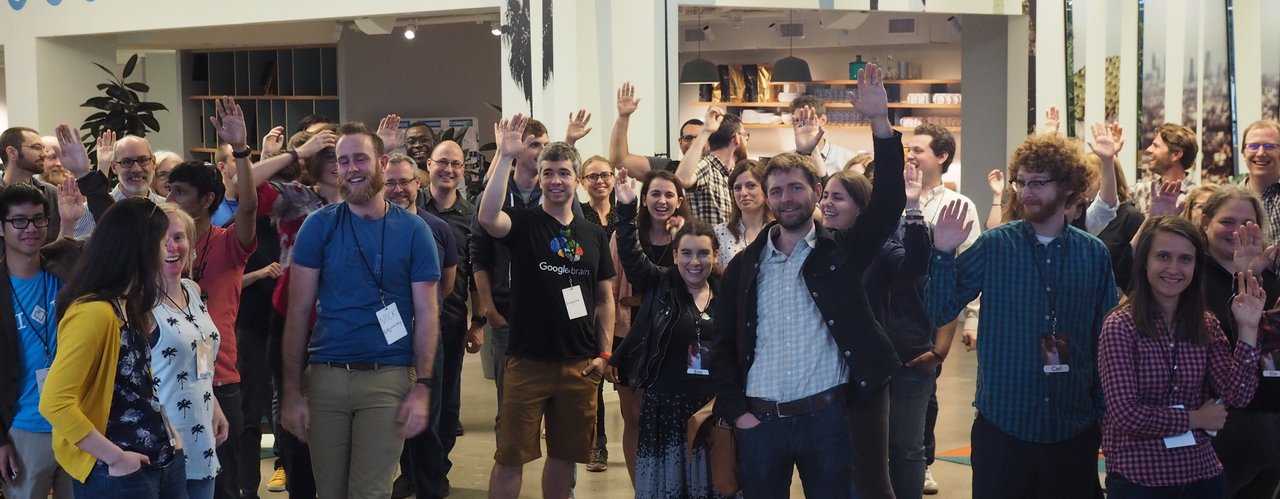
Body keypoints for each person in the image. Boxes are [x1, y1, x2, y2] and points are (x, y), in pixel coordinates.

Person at [711, 63, 904, 498]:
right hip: (761, 421)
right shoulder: (744, 267)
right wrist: (737, 411)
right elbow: (720, 345)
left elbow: (889, 202)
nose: (786, 198)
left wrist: (880, 122)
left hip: (828, 418)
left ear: (816, 193)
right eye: (776, 190)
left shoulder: (841, 252)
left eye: (796, 188)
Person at [927, 132, 1118, 498]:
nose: (1026, 191)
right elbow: (940, 309)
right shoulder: (996, 245)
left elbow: (1105, 342)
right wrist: (943, 253)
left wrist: (1104, 415)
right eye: (1022, 182)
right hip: (1004, 425)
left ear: (1067, 187)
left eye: (1038, 183)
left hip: (1073, 425)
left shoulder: (1093, 254)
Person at [280, 122, 441, 499]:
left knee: (369, 492)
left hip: (387, 378)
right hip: (325, 377)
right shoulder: (318, 226)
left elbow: (428, 314)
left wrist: (423, 387)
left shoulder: (415, 231)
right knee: (330, 493)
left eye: (360, 159)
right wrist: (290, 391)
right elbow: (298, 311)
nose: (351, 169)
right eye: (343, 161)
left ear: (382, 162)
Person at [478, 117, 615, 499]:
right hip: (527, 362)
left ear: (577, 180)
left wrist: (604, 354)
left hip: (579, 365)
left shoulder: (593, 233)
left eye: (565, 173)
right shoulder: (523, 223)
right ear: (539, 178)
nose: (556, 180)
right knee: (509, 457)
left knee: (564, 458)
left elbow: (604, 299)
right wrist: (505, 157)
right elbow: (488, 218)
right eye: (548, 173)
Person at [1099, 216, 1263, 497]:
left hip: (1201, 473)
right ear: (1145, 262)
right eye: (1163, 256)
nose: (1174, 268)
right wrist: (1196, 418)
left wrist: (1248, 329)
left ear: (1196, 267)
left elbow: (1238, 395)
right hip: (1140, 476)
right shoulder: (1120, 326)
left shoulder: (1205, 323)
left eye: (1185, 259)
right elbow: (1126, 414)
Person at [40, 197, 185, 499]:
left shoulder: (129, 303)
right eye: (162, 240)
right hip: (119, 472)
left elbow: (136, 385)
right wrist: (115, 457)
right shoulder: (92, 312)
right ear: (141, 248)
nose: (168, 249)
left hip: (159, 458)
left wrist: (170, 432)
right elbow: (54, 403)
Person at [608, 168, 729, 498]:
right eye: (686, 253)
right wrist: (624, 208)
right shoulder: (660, 283)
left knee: (713, 485)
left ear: (715, 256)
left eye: (703, 253)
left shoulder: (728, 296)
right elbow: (631, 255)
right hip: (665, 408)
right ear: (674, 256)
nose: (695, 262)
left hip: (710, 408)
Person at [161, 97, 258, 499]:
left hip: (220, 376)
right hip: (169, 379)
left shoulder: (229, 243)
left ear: (206, 201)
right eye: (169, 190)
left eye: (180, 192)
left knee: (224, 484)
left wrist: (241, 152)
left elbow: (250, 205)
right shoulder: (161, 246)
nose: (171, 199)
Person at [820, 166, 934, 499]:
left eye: (837, 197)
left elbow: (914, 266)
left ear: (861, 208)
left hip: (870, 371)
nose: (827, 203)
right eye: (825, 195)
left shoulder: (881, 248)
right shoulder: (817, 246)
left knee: (882, 456)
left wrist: (913, 207)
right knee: (838, 457)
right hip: (826, 370)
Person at [1192, 186, 1280, 498]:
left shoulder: (1268, 280)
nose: (1237, 231)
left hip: (1270, 425)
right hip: (1219, 426)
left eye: (1247, 223)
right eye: (1227, 221)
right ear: (1205, 222)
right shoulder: (1190, 276)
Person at [382, 153, 460, 499]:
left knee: (431, 410)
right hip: (386, 338)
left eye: (405, 181)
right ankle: (407, 475)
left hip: (428, 336)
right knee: (393, 410)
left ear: (419, 183)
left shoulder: (438, 228)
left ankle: (431, 480)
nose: (399, 189)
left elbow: (448, 284)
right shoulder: (373, 226)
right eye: (391, 182)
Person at [0, 182, 84, 499]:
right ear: (1, 227)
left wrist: (70, 221)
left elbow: (115, 241)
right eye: (19, 220)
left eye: (38, 219)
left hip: (76, 423)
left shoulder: (65, 268)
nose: (31, 228)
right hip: (23, 429)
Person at [468, 118, 551, 437]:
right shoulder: (493, 196)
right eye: (534, 145)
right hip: (508, 316)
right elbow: (479, 254)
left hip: (552, 318)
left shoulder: (558, 191)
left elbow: (577, 247)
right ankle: (509, 474)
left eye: (545, 144)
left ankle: (563, 488)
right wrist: (488, 308)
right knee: (511, 405)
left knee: (558, 405)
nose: (541, 152)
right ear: (516, 150)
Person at [151, 203, 230, 499]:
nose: (172, 247)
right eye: (162, 239)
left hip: (201, 430)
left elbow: (200, 357)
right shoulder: (138, 302)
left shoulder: (191, 290)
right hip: (163, 437)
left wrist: (215, 405)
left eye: (179, 237)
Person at [577, 154, 616, 473]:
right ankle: (596, 446)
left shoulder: (628, 212)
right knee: (595, 382)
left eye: (605, 174)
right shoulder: (577, 216)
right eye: (592, 176)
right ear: (581, 182)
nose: (600, 180)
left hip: (628, 307)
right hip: (592, 307)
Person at [609, 82, 706, 177]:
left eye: (700, 138)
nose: (694, 143)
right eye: (688, 138)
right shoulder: (666, 169)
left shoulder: (719, 170)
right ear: (680, 142)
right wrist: (623, 117)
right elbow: (620, 160)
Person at [677, 107, 741, 226]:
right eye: (744, 135)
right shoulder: (707, 166)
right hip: (706, 244)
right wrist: (706, 130)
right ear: (737, 138)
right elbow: (682, 179)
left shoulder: (732, 173)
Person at [0, 127, 62, 243]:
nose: (44, 154)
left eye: (43, 149)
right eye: (36, 147)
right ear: (12, 152)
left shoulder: (51, 193)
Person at [1132, 123, 1199, 215]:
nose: (1148, 149)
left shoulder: (1196, 197)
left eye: (1155, 146)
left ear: (1176, 155)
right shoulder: (1142, 191)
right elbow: (1110, 205)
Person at [714, 160, 772, 264]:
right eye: (737, 188)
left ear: (765, 188)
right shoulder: (720, 232)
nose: (743, 193)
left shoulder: (778, 230)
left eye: (751, 186)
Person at [789, 95, 857, 177]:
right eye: (797, 120)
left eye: (808, 120)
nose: (803, 125)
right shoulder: (787, 160)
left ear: (823, 120)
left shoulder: (846, 159)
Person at [1236, 120, 1280, 240]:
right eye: (1253, 146)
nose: (1260, 153)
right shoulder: (1230, 200)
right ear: (1243, 153)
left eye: (1270, 146)